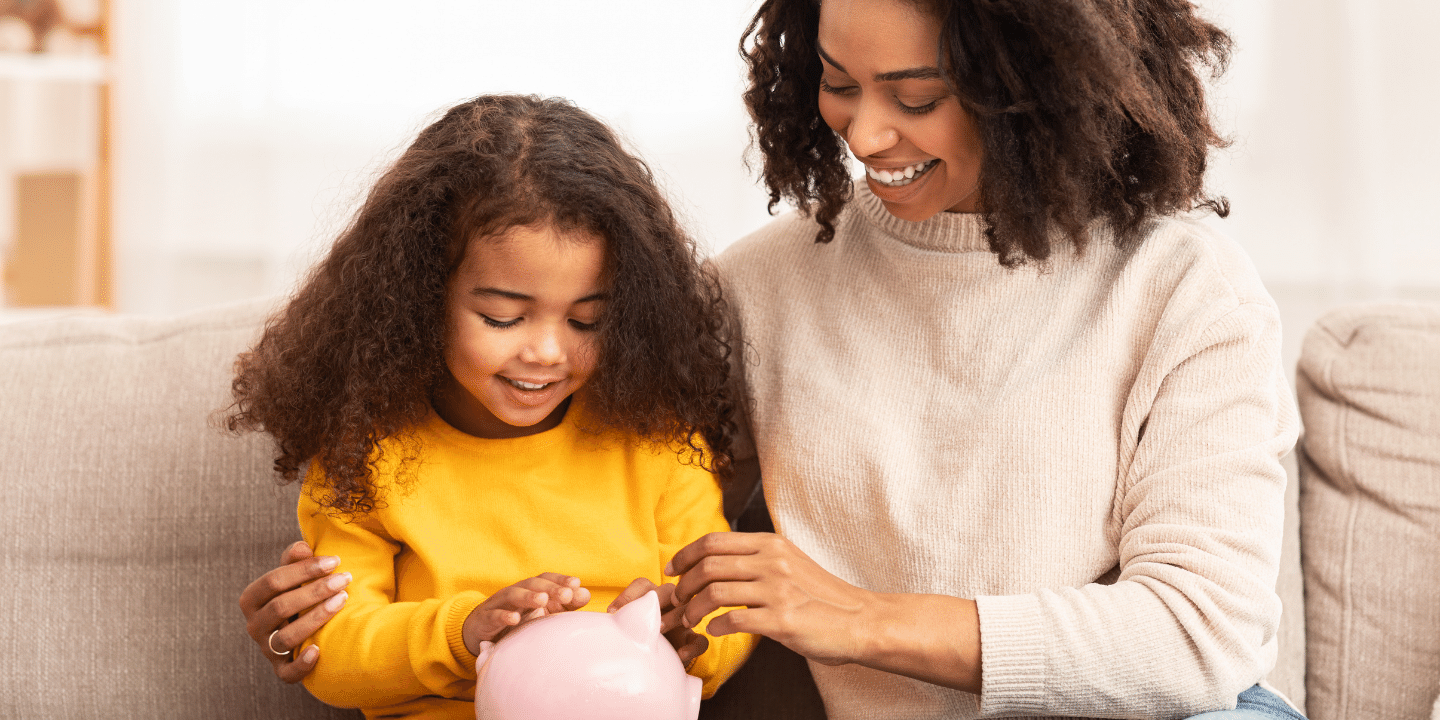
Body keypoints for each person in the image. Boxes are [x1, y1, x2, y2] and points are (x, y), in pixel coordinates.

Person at [244, 1, 1304, 717]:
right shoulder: (758, 289)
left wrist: (857, 618)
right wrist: (340, 624)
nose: (867, 133)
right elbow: (591, 499)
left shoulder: (1180, 288)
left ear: (1040, 82)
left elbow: (1201, 634)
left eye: (917, 94)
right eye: (840, 82)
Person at [228, 93, 755, 719]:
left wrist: (689, 636)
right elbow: (331, 652)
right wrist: (463, 634)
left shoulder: (656, 443)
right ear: (421, 298)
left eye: (589, 321)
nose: (548, 352)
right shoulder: (368, 454)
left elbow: (730, 607)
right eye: (503, 318)